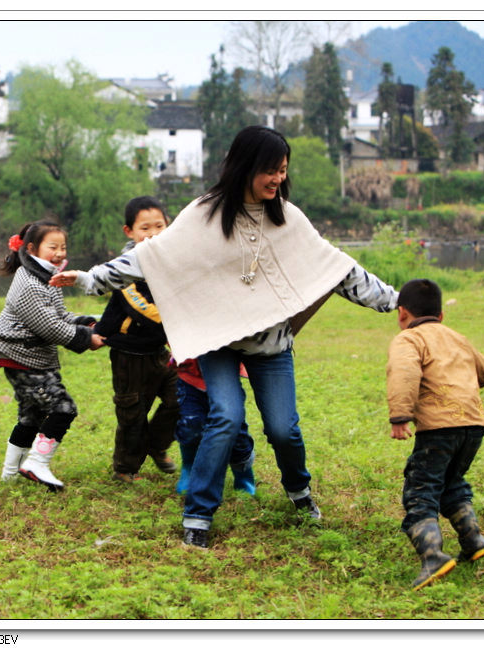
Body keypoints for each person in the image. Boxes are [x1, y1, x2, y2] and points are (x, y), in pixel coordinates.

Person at [52, 126, 398, 547]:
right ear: (245, 167)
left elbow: (336, 268)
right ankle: (198, 512)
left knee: (283, 429)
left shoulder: (288, 216)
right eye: (269, 171)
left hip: (271, 346)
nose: (276, 180)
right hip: (217, 341)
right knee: (226, 418)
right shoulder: (204, 213)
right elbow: (151, 256)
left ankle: (298, 491)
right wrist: (91, 279)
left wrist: (397, 301)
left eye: (283, 172)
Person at [387, 278, 484, 590]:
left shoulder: (408, 340)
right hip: (474, 426)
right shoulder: (456, 337)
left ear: (402, 313)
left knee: (420, 489)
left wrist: (400, 416)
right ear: (441, 315)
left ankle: (433, 555)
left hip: (438, 429)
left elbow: (405, 373)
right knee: (450, 481)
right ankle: (473, 539)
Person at [0, 221, 105, 491]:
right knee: (63, 408)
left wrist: (86, 323)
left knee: (32, 416)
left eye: (63, 247)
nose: (60, 253)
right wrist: (85, 339)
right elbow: (48, 326)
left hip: (25, 355)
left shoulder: (45, 276)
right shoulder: (28, 282)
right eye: (53, 247)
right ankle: (37, 463)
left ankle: (9, 474)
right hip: (21, 355)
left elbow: (59, 315)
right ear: (31, 248)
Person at [93, 196, 179, 483]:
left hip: (158, 350)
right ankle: (125, 469)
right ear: (129, 231)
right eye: (145, 228)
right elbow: (139, 306)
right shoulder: (124, 266)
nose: (153, 234)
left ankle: (156, 445)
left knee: (180, 397)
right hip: (128, 353)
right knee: (133, 411)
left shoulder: (170, 261)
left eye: (159, 226)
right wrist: (179, 321)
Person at [174, 359, 256, 497]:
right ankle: (190, 468)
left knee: (236, 433)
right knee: (190, 425)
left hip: (226, 376)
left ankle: (243, 473)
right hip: (190, 376)